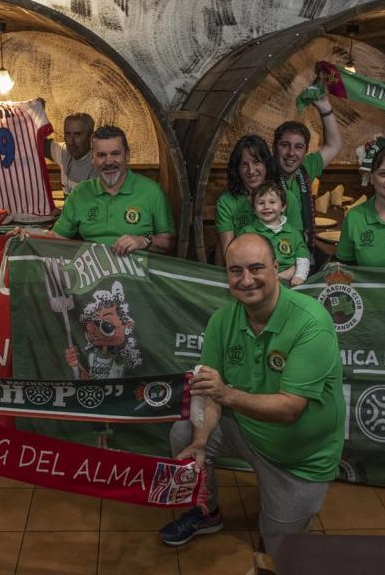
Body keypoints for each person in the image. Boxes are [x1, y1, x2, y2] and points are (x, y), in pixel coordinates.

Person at [159, 233, 344, 564]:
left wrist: (225, 393)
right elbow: (209, 393)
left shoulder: (311, 322)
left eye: (256, 268)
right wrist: (202, 440)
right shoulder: (221, 320)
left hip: (299, 457)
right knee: (185, 431)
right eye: (235, 271)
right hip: (245, 428)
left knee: (280, 554)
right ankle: (206, 511)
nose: (246, 280)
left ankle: (284, 521)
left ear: (276, 268)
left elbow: (290, 409)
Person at [51, 125, 175, 255]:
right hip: (91, 272)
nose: (109, 161)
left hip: (137, 273)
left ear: (127, 155)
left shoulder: (152, 191)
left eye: (115, 154)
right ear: (92, 158)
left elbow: (169, 243)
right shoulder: (80, 193)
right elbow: (57, 238)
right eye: (101, 155)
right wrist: (30, 237)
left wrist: (143, 241)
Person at [273, 92, 343, 260]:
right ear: (274, 147)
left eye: (298, 147)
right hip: (274, 256)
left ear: (305, 151)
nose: (291, 153)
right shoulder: (263, 174)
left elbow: (334, 145)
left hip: (302, 253)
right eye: (285, 145)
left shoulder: (306, 168)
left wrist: (325, 107)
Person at [215, 135, 279, 261]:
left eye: (256, 162)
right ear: (237, 169)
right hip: (242, 266)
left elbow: (296, 245)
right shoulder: (226, 202)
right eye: (244, 164)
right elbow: (228, 253)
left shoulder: (286, 197)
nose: (251, 170)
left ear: (266, 164)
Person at [239, 182, 311, 286]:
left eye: (272, 202)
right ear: (254, 209)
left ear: (283, 206)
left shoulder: (293, 233)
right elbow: (241, 260)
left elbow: (303, 256)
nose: (266, 207)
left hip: (289, 284)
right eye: (261, 203)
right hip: (258, 283)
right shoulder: (247, 232)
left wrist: (299, 275)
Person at [44, 112, 96, 195]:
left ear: (91, 137)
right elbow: (37, 142)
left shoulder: (99, 164)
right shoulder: (62, 151)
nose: (71, 142)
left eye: (77, 135)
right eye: (68, 134)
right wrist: (38, 112)